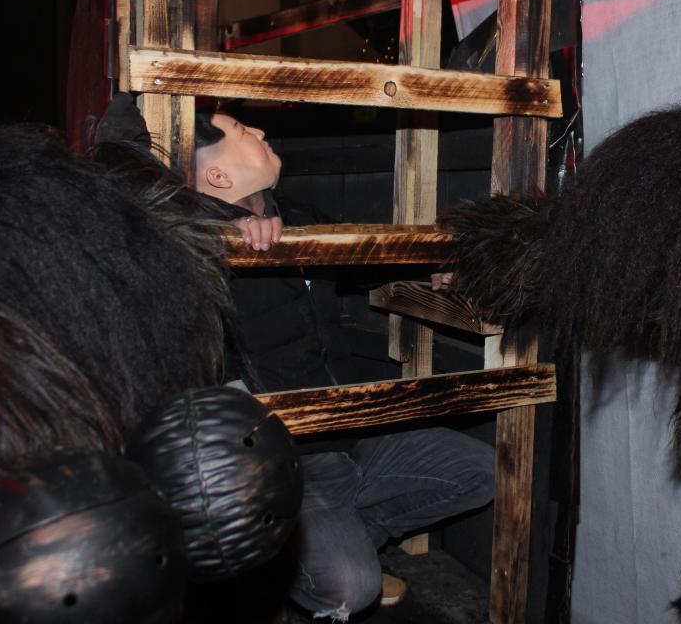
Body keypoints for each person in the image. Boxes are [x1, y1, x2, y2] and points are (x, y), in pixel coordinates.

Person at [194, 104, 495, 621]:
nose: (260, 130)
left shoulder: (300, 216)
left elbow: (366, 264)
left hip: (357, 434)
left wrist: (428, 272)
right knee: (349, 590)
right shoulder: (192, 246)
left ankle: (349, 541)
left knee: (481, 471)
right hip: (288, 463)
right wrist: (221, 234)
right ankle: (300, 562)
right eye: (242, 131)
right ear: (218, 176)